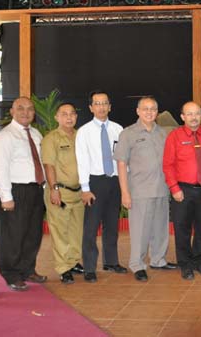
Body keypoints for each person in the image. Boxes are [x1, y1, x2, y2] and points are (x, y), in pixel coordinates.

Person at [115, 97, 176, 282]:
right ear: (138, 111)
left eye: (153, 109)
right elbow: (121, 164)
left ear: (157, 112)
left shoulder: (163, 133)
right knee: (140, 231)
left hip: (162, 189)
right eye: (145, 109)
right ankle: (137, 264)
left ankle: (158, 259)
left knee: (160, 228)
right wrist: (125, 192)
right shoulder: (128, 134)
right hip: (140, 191)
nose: (149, 112)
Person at [0, 97, 47, 291]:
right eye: (21, 108)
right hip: (15, 189)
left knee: (33, 233)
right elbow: (0, 168)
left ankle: (27, 269)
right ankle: (11, 274)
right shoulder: (5, 136)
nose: (26, 112)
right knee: (13, 235)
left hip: (35, 189)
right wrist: (6, 197)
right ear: (12, 112)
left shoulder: (36, 134)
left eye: (30, 109)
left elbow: (41, 162)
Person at [75, 91, 127, 282]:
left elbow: (123, 159)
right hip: (94, 182)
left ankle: (111, 261)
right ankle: (89, 267)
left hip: (114, 181)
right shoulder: (84, 132)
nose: (101, 107)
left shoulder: (118, 129)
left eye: (105, 103)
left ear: (110, 106)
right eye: (97, 103)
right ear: (91, 108)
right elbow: (82, 161)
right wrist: (85, 188)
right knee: (91, 227)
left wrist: (124, 184)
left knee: (112, 224)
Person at [163, 101, 201, 280]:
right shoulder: (174, 136)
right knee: (182, 229)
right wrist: (174, 188)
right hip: (182, 190)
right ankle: (185, 264)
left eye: (197, 113)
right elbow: (167, 165)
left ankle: (200, 262)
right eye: (189, 114)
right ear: (182, 117)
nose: (193, 117)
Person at [41, 103, 85, 284]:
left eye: (72, 114)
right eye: (64, 114)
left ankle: (73, 261)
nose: (69, 117)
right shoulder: (51, 139)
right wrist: (54, 189)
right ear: (57, 117)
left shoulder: (80, 136)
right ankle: (63, 268)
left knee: (76, 230)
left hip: (79, 192)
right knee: (60, 232)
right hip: (60, 191)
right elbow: (49, 165)